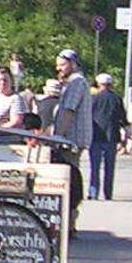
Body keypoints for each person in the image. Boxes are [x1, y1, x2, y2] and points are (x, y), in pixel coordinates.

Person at [48, 48, 92, 205]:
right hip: (70, 140)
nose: (58, 68)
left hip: (70, 141)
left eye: (62, 65)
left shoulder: (76, 82)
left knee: (68, 182)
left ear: (73, 64)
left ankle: (70, 220)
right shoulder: (73, 82)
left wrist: (56, 138)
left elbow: (68, 111)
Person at [88, 71, 129, 200]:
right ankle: (108, 194)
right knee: (109, 168)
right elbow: (123, 119)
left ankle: (93, 193)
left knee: (94, 167)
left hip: (95, 136)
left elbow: (87, 117)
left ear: (99, 84)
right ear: (110, 85)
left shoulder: (93, 99)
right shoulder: (117, 99)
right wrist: (126, 136)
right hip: (112, 136)